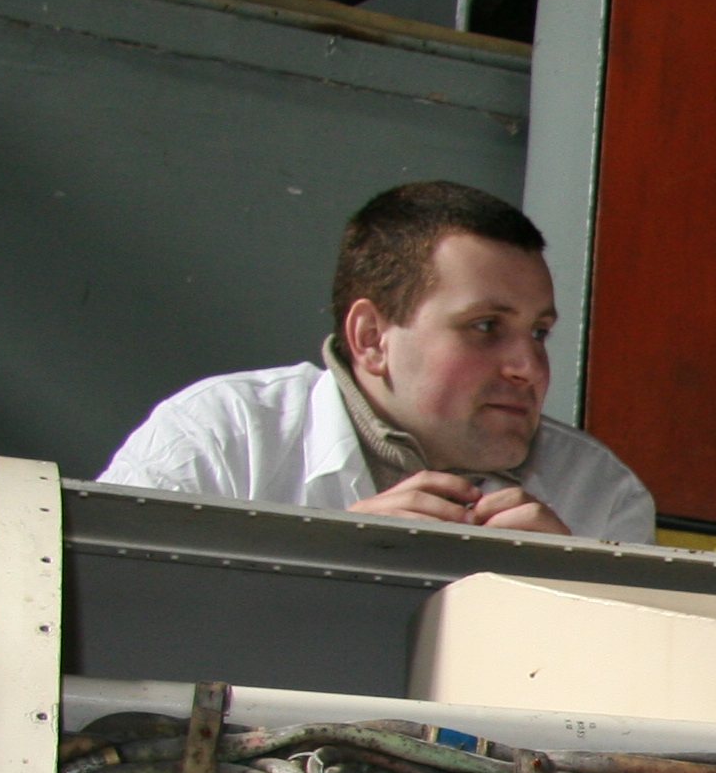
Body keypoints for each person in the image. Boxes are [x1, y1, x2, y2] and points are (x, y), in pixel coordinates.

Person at [99, 180, 655, 543]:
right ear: (371, 337)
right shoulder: (224, 436)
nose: (528, 367)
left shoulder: (600, 495)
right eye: (485, 327)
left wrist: (573, 597)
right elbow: (99, 635)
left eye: (540, 332)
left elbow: (640, 708)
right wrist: (329, 563)